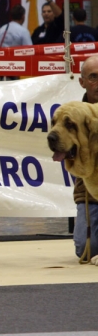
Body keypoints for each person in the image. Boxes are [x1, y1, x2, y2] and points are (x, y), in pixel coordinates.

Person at [73, 55, 98, 260]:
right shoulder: (71, 118)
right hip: (90, 194)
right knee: (86, 250)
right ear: (82, 82)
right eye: (93, 77)